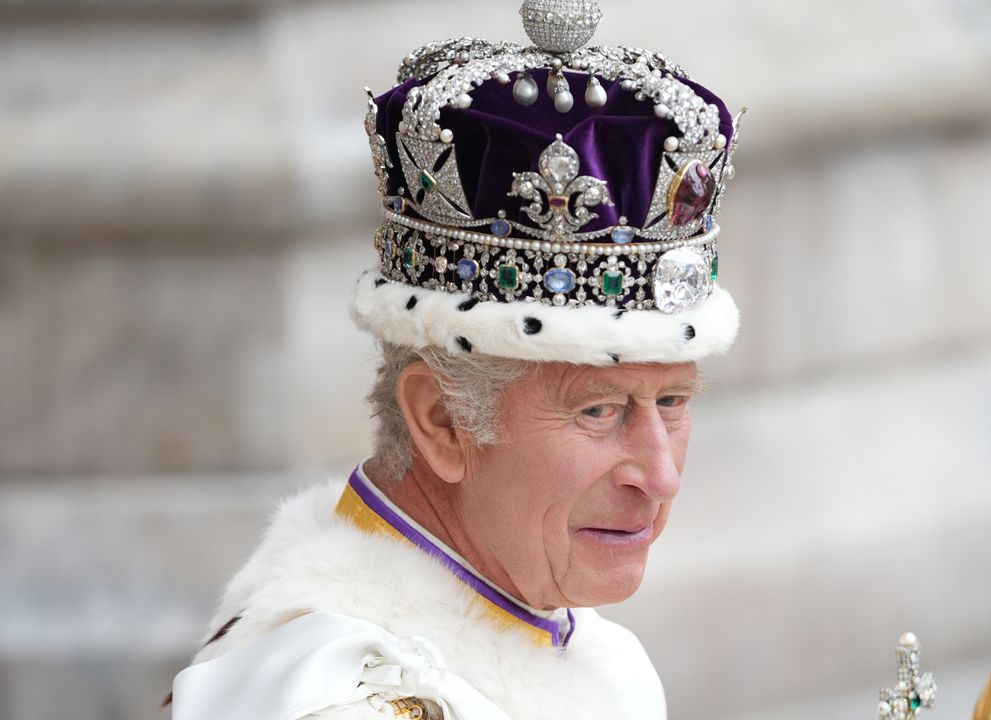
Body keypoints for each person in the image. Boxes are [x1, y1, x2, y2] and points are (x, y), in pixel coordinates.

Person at [169, 2, 742, 718]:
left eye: (672, 402)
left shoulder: (582, 647)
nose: (660, 477)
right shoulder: (345, 699)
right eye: (599, 409)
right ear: (441, 421)